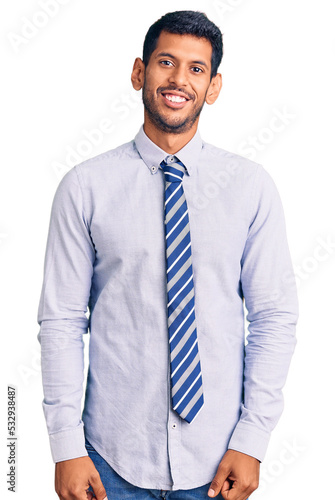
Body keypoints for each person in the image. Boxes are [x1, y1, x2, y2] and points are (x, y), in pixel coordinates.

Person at [37, 10, 299, 500]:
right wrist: (66, 447)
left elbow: (273, 318)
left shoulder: (250, 187)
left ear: (214, 86)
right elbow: (62, 321)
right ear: (140, 72)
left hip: (219, 461)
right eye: (166, 62)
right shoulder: (85, 188)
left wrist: (254, 439)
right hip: (108, 461)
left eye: (196, 69)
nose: (179, 80)